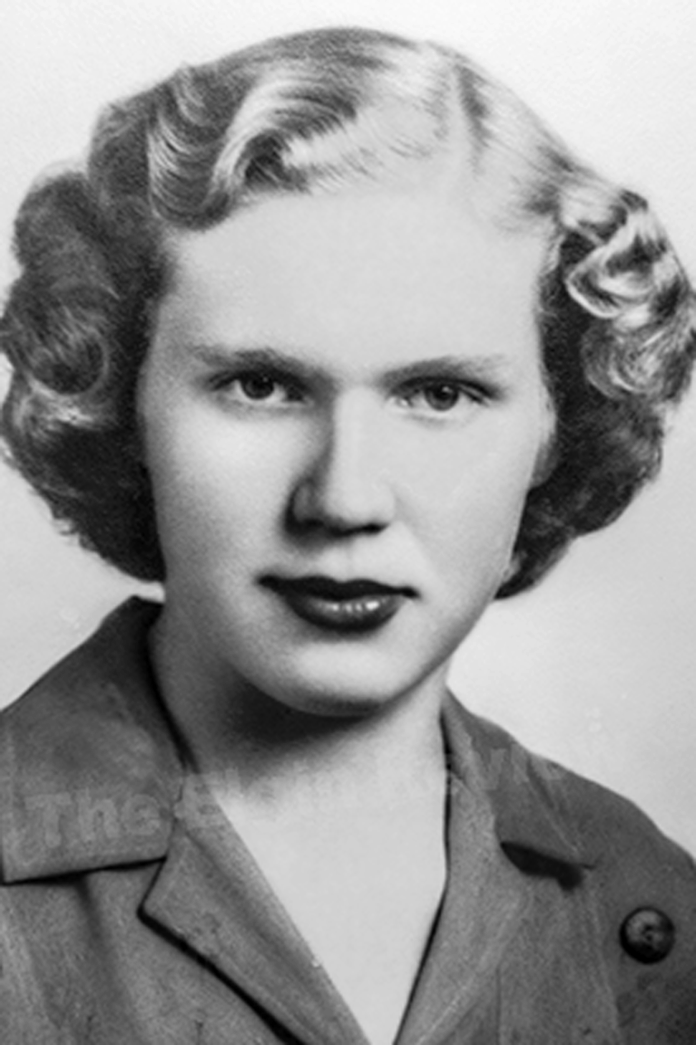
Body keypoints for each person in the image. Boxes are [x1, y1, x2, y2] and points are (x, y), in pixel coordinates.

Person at [0, 24, 695, 1044]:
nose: (344, 497)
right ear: (121, 403)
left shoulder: (642, 901)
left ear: (558, 429)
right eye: (260, 384)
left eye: (440, 393)